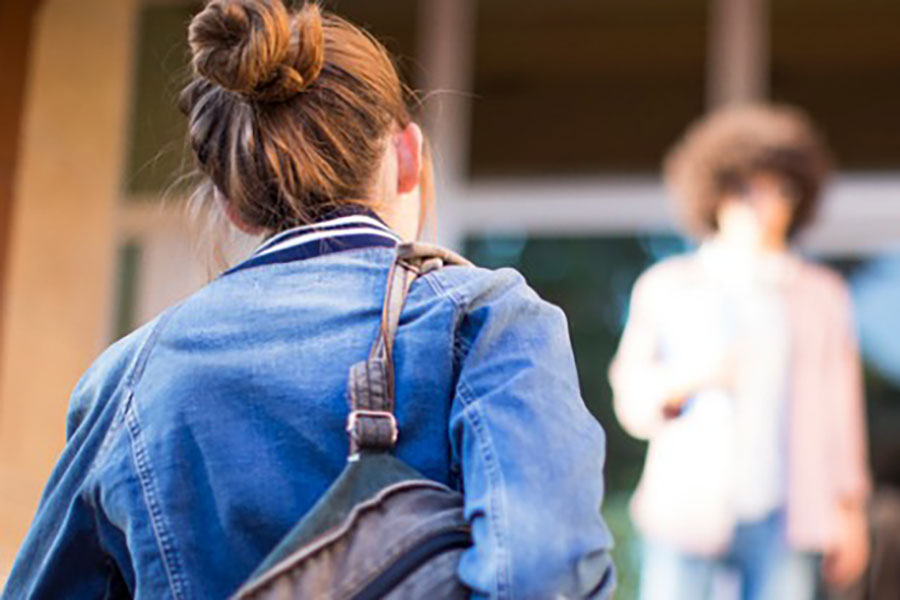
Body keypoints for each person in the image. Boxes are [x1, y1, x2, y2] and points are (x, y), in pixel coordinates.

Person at [2, 1, 614, 598]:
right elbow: (543, 576)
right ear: (407, 156)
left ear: (229, 203)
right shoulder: (487, 318)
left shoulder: (125, 378)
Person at [610, 104, 870, 600]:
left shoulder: (821, 295)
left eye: (780, 191)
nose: (763, 205)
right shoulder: (668, 286)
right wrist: (691, 378)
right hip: (687, 508)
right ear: (716, 193)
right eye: (746, 190)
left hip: (787, 512)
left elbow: (841, 411)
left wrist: (850, 512)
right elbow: (632, 397)